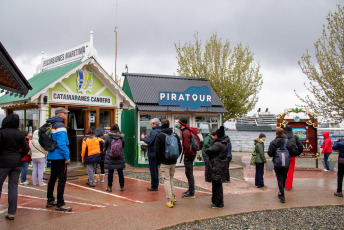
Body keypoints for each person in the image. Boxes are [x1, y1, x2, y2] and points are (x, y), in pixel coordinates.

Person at [0, 114, 30, 220]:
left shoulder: (2, 132)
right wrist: (18, 156)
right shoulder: (20, 134)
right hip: (16, 163)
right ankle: (11, 212)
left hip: (3, 162)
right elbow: (26, 149)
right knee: (13, 187)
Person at [46, 107, 72, 212]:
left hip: (52, 155)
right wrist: (67, 157)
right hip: (60, 156)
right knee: (62, 178)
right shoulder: (60, 125)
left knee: (53, 177)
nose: (66, 115)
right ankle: (60, 203)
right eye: (65, 113)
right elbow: (62, 143)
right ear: (60, 114)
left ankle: (50, 199)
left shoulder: (50, 124)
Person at [154, 119, 182, 208]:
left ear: (161, 125)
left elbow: (156, 151)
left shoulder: (159, 135)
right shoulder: (175, 135)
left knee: (166, 179)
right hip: (173, 161)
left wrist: (159, 161)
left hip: (164, 161)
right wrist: (175, 158)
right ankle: (173, 196)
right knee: (171, 178)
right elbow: (180, 149)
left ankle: (169, 200)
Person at [205, 126, 229, 209]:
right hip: (221, 165)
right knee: (217, 184)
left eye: (215, 135)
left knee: (217, 185)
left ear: (217, 136)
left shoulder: (218, 144)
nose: (214, 137)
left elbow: (208, 150)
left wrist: (208, 150)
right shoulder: (224, 143)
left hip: (217, 166)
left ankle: (218, 203)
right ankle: (215, 201)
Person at [268, 128, 293, 203]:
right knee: (284, 177)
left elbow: (270, 153)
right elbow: (291, 150)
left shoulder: (273, 142)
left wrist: (275, 155)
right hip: (286, 162)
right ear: (283, 133)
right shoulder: (287, 141)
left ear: (276, 134)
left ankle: (282, 195)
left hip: (277, 162)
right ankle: (282, 190)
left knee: (279, 178)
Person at [141, 118, 161, 191]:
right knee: (156, 169)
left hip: (153, 153)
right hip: (158, 153)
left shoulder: (154, 132)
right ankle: (156, 184)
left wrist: (143, 138)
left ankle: (154, 186)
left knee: (153, 170)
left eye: (151, 124)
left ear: (155, 124)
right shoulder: (160, 131)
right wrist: (148, 138)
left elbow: (149, 142)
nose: (151, 125)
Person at [178, 117, 196, 198]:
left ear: (181, 124)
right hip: (191, 154)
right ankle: (190, 190)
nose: (177, 124)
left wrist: (186, 156)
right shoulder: (187, 130)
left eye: (178, 123)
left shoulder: (185, 132)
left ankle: (191, 191)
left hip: (189, 155)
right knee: (188, 173)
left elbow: (187, 146)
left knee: (189, 173)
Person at [104, 123, 126, 192]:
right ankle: (122, 186)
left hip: (111, 156)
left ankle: (109, 187)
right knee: (120, 171)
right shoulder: (121, 136)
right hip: (119, 156)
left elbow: (105, 145)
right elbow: (123, 145)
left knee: (110, 171)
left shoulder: (109, 136)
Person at [285, 125, 304, 190]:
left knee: (283, 171)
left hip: (283, 156)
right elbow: (301, 146)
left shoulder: (283, 137)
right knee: (290, 171)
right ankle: (289, 186)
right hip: (292, 156)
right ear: (291, 130)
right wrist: (297, 153)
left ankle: (282, 185)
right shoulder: (295, 137)